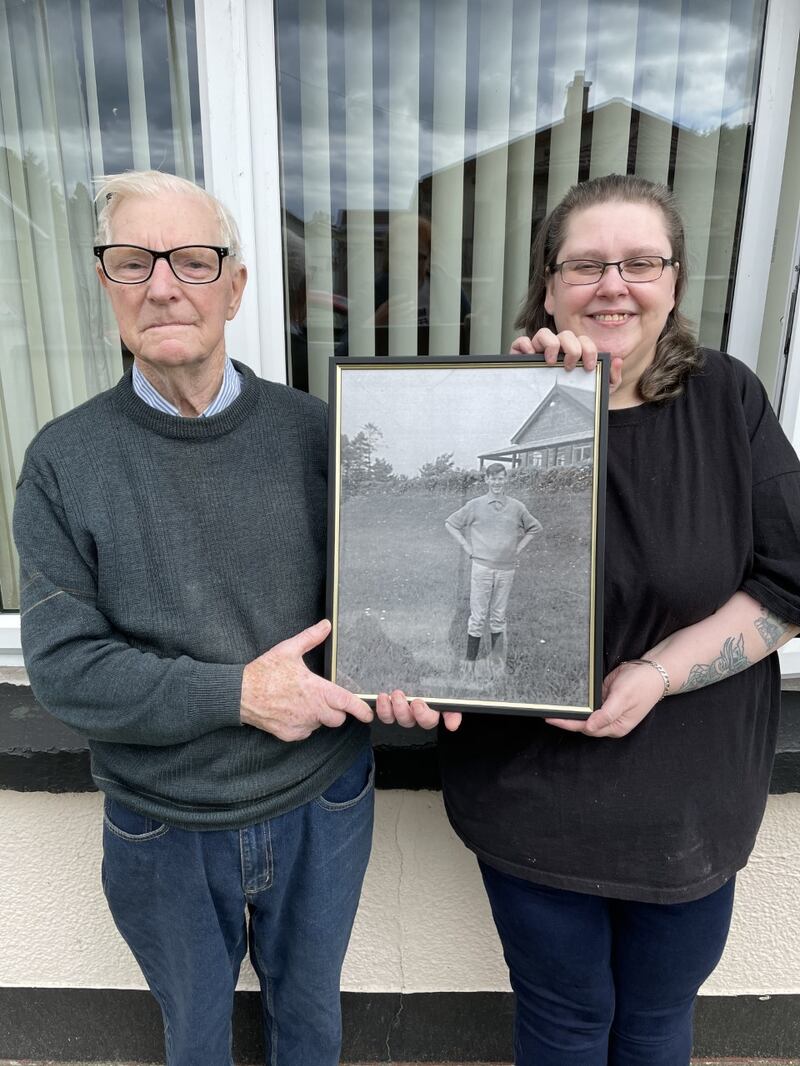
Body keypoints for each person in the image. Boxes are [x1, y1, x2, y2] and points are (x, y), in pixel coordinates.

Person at [379, 173, 800, 1065]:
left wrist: (656, 672)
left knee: (653, 1027)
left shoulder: (729, 402)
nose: (614, 284)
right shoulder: (500, 408)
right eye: (586, 265)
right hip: (533, 800)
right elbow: (428, 562)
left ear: (675, 281)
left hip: (687, 802)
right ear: (549, 283)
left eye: (640, 261)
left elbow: (788, 585)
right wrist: (426, 676)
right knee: (563, 1025)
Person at [13, 170, 377, 1066]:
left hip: (319, 799)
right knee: (196, 1040)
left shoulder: (316, 435)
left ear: (237, 286)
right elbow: (63, 666)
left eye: (193, 260)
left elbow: (384, 607)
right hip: (163, 823)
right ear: (106, 283)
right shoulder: (64, 461)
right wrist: (240, 693)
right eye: (133, 261)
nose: (164, 285)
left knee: (312, 1022)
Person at [445, 462, 542, 670]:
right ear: (486, 480)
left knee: (498, 616)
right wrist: (467, 547)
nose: (497, 482)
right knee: (478, 617)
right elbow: (451, 523)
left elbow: (534, 528)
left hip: (507, 569)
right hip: (482, 568)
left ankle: (497, 665)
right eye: (493, 478)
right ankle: (470, 664)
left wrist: (517, 548)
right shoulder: (475, 505)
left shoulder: (517, 506)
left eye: (501, 478)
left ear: (505, 480)